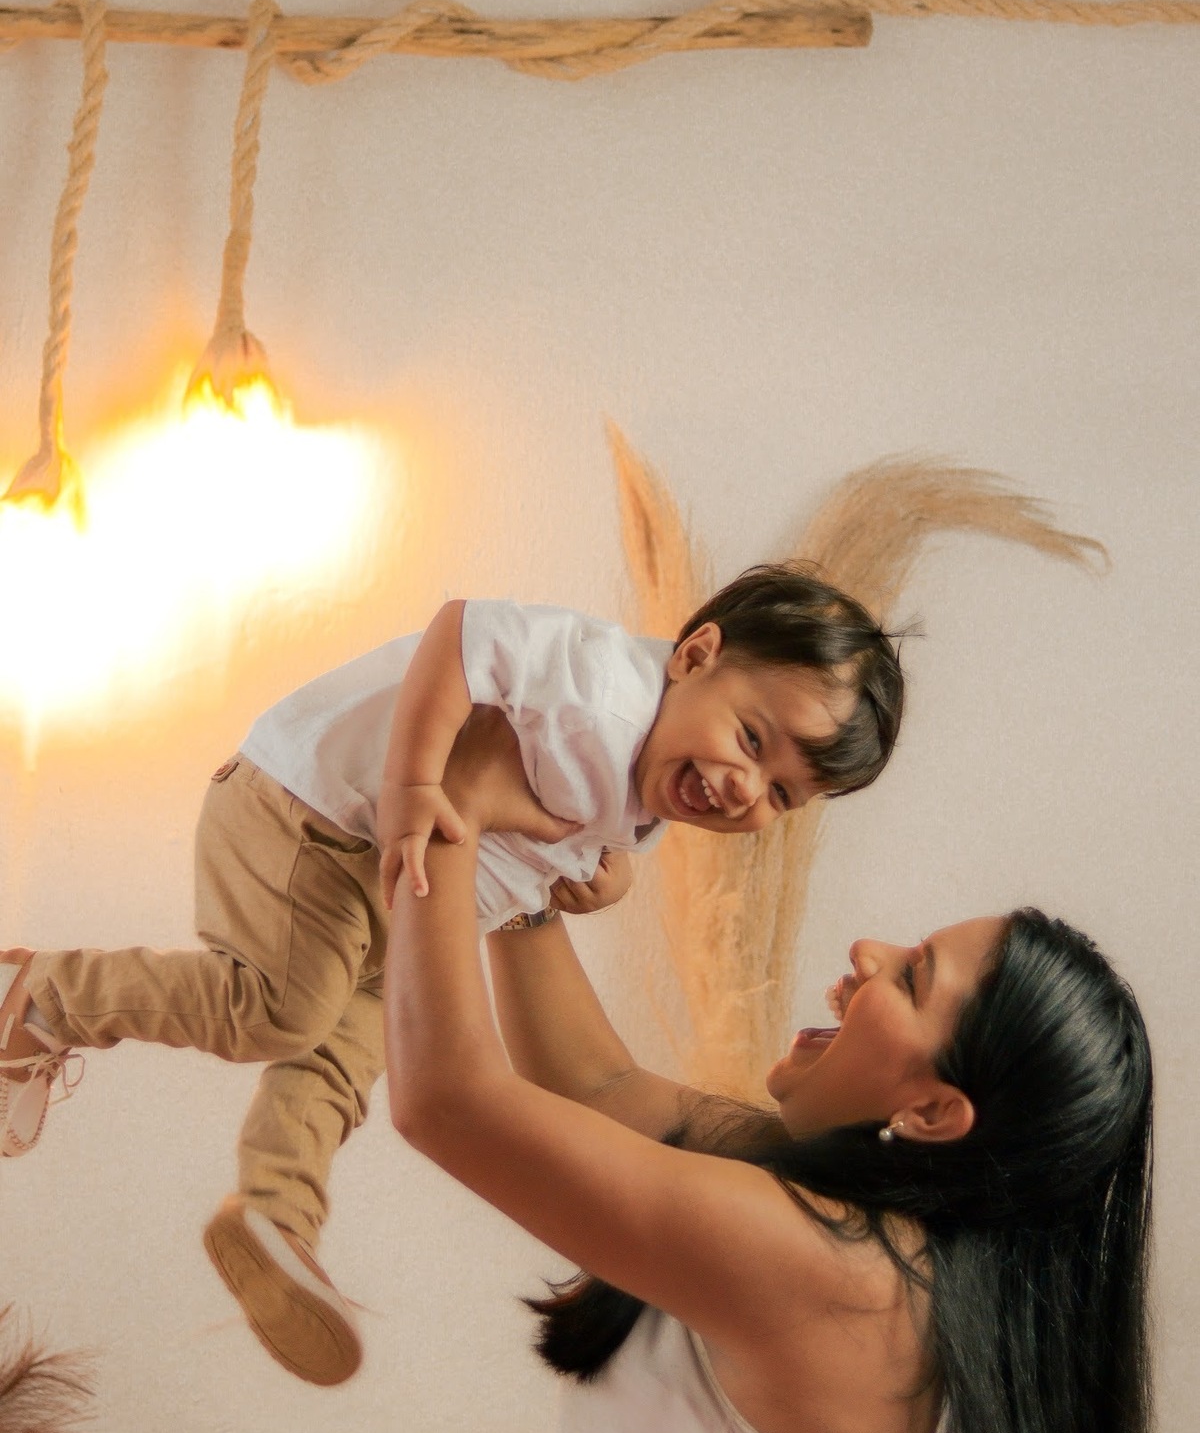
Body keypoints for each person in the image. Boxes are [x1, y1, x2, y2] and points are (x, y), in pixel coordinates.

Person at [384, 710, 1153, 1433]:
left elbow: (446, 1099)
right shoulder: (872, 1236)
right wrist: (523, 879)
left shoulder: (838, 1274)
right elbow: (599, 1085)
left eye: (912, 978)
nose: (867, 953)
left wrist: (446, 800)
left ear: (936, 1112)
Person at [0, 567, 902, 1389]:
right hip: (314, 809)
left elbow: (552, 826)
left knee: (347, 1054)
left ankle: (278, 1215)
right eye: (752, 739)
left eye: (781, 795)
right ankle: (45, 995)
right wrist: (410, 786)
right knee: (279, 1013)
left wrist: (605, 875)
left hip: (387, 888)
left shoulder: (653, 778)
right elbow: (463, 630)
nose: (745, 788)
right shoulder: (598, 688)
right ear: (696, 655)